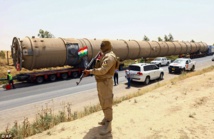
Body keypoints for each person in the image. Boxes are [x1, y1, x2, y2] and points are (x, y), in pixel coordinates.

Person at [83, 40, 117, 135]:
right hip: (101, 82)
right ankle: (106, 118)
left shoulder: (110, 57)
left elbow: (103, 70)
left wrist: (90, 72)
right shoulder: (104, 54)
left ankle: (108, 125)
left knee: (107, 102)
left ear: (106, 46)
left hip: (105, 83)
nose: (101, 47)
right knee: (102, 101)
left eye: (102, 46)